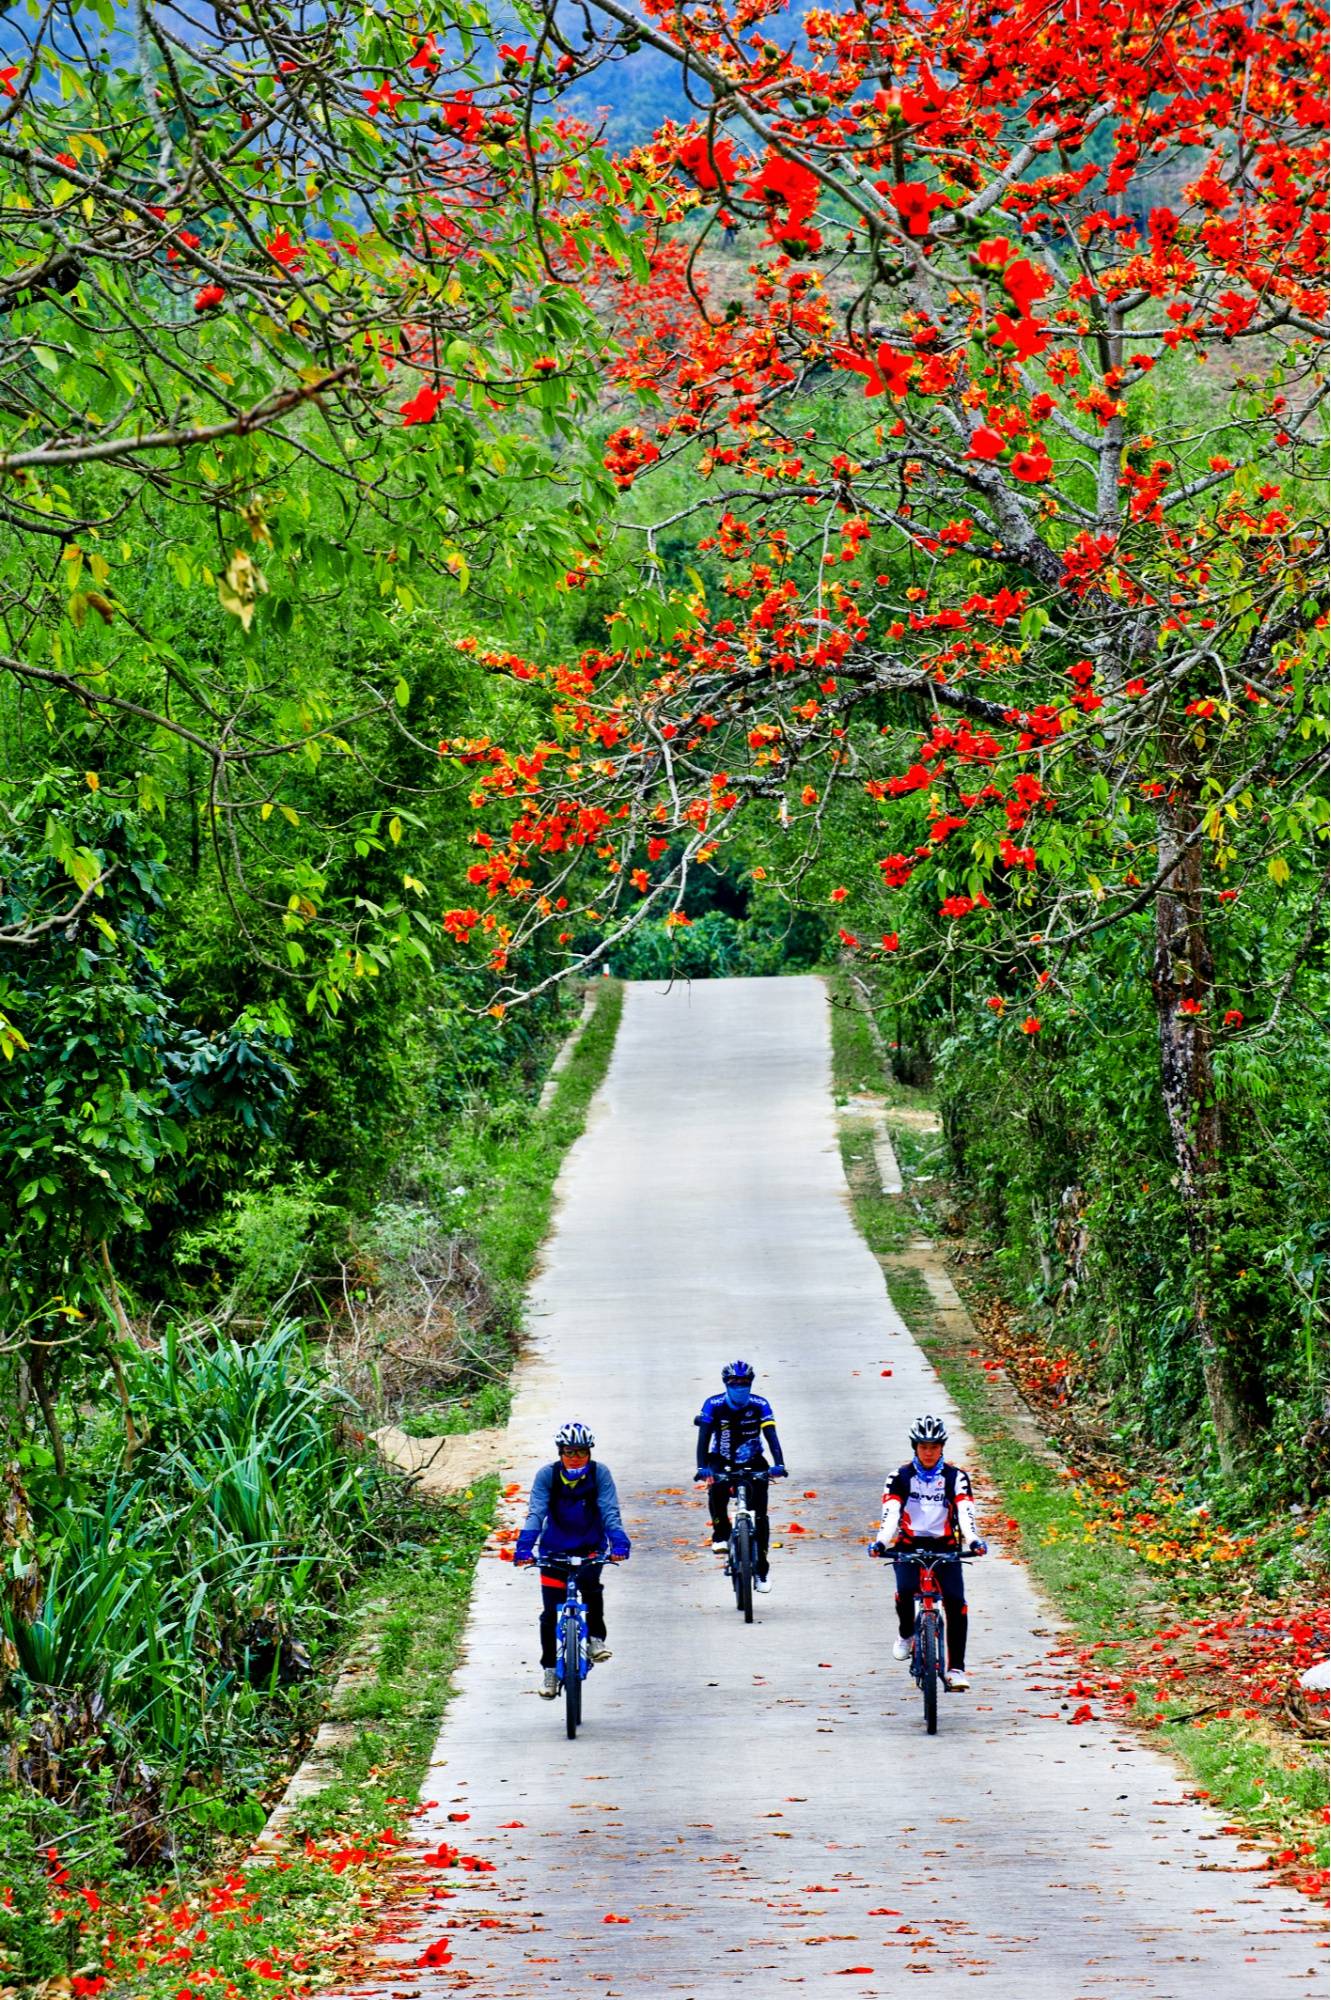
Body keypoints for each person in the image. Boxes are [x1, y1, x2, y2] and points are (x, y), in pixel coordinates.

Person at [514, 1421, 630, 1699]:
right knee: (549, 1612)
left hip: (590, 1547)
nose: (575, 1457)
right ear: (560, 1452)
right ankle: (550, 1671)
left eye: (581, 1452)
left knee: (591, 1590)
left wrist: (618, 1541)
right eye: (569, 1452)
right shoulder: (547, 1476)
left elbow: (608, 1508)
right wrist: (524, 1546)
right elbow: (536, 1511)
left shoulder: (600, 1474)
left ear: (589, 1452)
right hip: (554, 1548)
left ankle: (595, 1640)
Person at [870, 1413, 985, 1692]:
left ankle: (956, 1669)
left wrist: (973, 1540)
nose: (929, 1452)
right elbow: (891, 1513)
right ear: (915, 1447)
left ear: (942, 1447)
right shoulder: (900, 1476)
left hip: (945, 1547)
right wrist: (881, 1542)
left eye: (934, 1446)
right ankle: (906, 1633)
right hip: (909, 1546)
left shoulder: (956, 1477)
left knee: (956, 1602)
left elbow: (965, 1511)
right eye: (924, 1446)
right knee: (906, 1590)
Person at [693, 1360, 787, 1593]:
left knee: (761, 1516)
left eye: (745, 1382)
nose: (740, 1386)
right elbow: (703, 1438)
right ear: (726, 1383)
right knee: (716, 1489)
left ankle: (762, 1569)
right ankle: (721, 1533)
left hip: (753, 1460)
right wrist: (701, 1467)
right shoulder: (713, 1404)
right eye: (735, 1382)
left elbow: (771, 1435)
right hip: (721, 1459)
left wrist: (779, 1464)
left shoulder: (760, 1404)